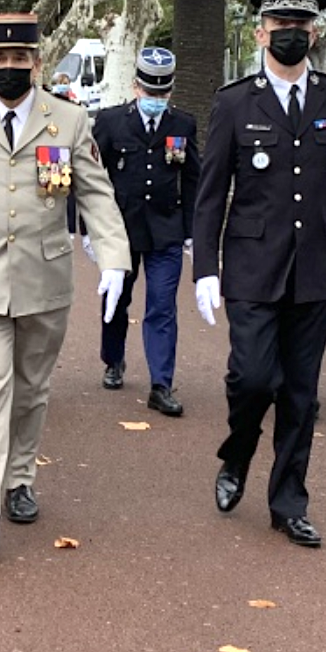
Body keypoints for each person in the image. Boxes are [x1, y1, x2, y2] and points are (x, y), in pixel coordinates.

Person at [0, 12, 130, 549]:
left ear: (37, 63)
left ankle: (19, 481)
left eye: (19, 59)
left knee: (31, 390)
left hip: (44, 277)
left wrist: (114, 258)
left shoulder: (71, 121)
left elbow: (96, 194)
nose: (9, 67)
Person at [194, 0, 326, 548]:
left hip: (317, 268)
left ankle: (289, 502)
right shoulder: (233, 101)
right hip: (251, 265)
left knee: (301, 392)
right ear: (260, 33)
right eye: (281, 28)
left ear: (314, 32)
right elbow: (210, 194)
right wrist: (205, 269)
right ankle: (237, 455)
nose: (291, 36)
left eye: (302, 27)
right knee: (251, 378)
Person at [86, 47, 199, 416]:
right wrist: (89, 229)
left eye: (162, 94)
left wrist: (193, 230)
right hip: (121, 229)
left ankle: (161, 383)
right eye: (150, 93)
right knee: (117, 300)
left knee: (163, 306)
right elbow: (91, 177)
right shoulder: (110, 121)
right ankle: (113, 359)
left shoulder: (183, 124)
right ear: (136, 87)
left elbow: (193, 177)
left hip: (166, 229)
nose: (155, 100)